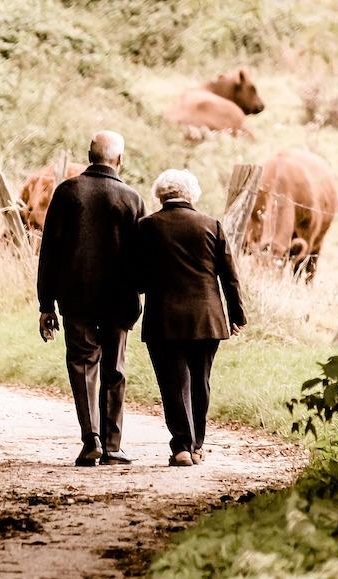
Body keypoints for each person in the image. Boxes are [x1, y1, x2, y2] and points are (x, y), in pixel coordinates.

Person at [37, 131, 146, 467]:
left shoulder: (68, 192)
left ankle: (91, 441)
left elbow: (49, 252)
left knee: (83, 366)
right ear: (119, 160)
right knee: (114, 368)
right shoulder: (131, 198)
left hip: (76, 298)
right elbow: (142, 257)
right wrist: (138, 292)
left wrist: (46, 304)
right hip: (119, 299)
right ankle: (113, 446)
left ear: (89, 155)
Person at [135, 169, 246, 467]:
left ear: (160, 194)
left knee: (173, 384)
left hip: (163, 319)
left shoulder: (146, 227)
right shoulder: (212, 225)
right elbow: (230, 277)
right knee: (201, 381)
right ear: (191, 194)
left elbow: (137, 277)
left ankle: (181, 446)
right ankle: (197, 446)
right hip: (207, 318)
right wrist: (237, 315)